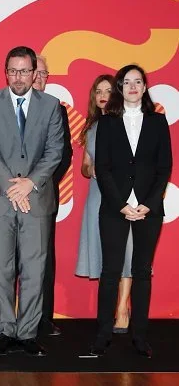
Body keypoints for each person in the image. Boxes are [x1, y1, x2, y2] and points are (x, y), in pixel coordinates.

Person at [0, 46, 63, 357]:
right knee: (0, 269)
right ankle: (4, 331)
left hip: (37, 199)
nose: (18, 77)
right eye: (12, 71)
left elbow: (55, 151)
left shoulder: (52, 105)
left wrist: (29, 183)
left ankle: (27, 333)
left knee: (34, 269)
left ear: (35, 73)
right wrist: (13, 187)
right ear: (5, 72)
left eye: (24, 71)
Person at [89, 64, 172, 358]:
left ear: (145, 87)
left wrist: (148, 204)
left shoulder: (158, 122)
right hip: (115, 208)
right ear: (120, 88)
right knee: (110, 272)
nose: (133, 87)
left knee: (142, 273)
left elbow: (165, 168)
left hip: (150, 208)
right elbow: (103, 168)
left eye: (138, 82)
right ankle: (102, 335)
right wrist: (121, 205)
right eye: (127, 82)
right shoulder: (108, 123)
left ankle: (139, 336)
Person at [76, 75, 133, 333]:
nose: (102, 95)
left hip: (123, 196)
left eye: (108, 90)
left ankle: (122, 308)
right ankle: (109, 308)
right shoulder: (92, 127)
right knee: (104, 252)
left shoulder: (128, 124)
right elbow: (85, 166)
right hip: (98, 195)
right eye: (98, 90)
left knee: (127, 251)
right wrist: (92, 169)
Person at [32, 55, 73, 336]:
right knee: (7, 262)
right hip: (8, 197)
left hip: (44, 196)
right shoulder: (4, 107)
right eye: (36, 73)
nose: (39, 78)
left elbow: (64, 155)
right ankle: (5, 324)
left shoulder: (56, 110)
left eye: (45, 74)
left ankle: (43, 320)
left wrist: (38, 184)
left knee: (44, 260)